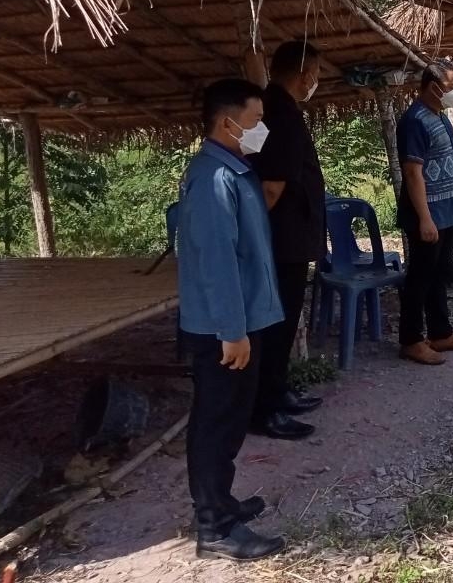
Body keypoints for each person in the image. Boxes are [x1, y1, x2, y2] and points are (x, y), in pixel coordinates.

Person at [177, 79, 285, 562]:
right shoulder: (212, 179)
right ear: (228, 123)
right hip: (222, 328)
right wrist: (232, 331)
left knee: (231, 417)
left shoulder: (233, 170)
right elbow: (217, 261)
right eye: (255, 120)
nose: (262, 128)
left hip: (241, 318)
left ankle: (222, 503)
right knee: (215, 423)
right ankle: (214, 528)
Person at [248, 40, 326, 441]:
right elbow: (271, 187)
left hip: (281, 237)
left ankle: (277, 391)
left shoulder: (267, 108)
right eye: (316, 73)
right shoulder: (283, 116)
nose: (316, 81)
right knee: (276, 325)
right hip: (282, 240)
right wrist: (251, 235)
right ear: (305, 75)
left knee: (278, 320)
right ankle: (264, 410)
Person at [396, 61, 453, 365]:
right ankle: (411, 340)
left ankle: (440, 333)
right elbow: (412, 172)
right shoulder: (414, 121)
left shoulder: (438, 115)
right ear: (433, 87)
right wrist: (425, 218)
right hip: (427, 212)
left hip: (445, 209)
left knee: (439, 272)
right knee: (420, 276)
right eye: (452, 87)